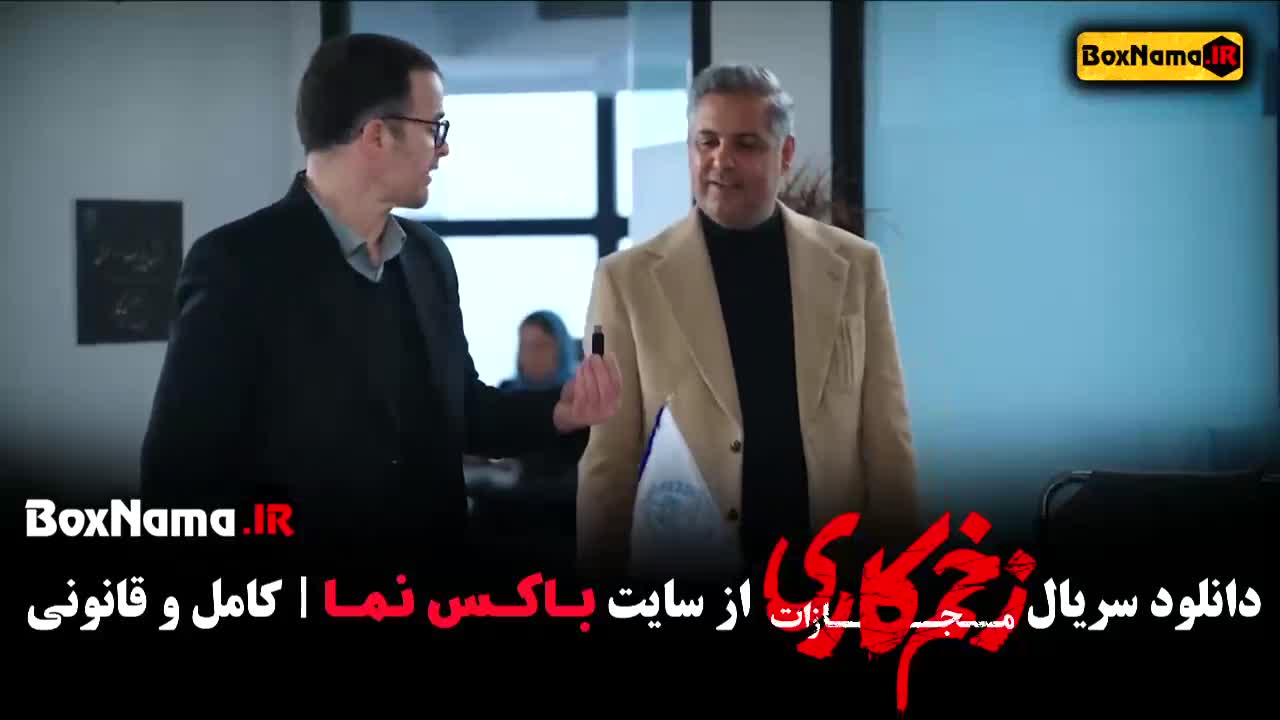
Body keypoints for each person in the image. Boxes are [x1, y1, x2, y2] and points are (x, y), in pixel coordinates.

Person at [139, 33, 621, 578]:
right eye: (435, 127)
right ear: (376, 136)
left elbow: (461, 409)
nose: (443, 148)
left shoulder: (428, 258)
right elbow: (179, 477)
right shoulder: (238, 265)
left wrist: (560, 411)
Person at [576, 63, 919, 581]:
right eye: (707, 142)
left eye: (746, 144)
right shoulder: (626, 281)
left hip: (829, 577)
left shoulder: (855, 266)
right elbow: (609, 462)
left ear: (785, 153)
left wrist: (901, 580)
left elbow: (888, 443)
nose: (721, 160)